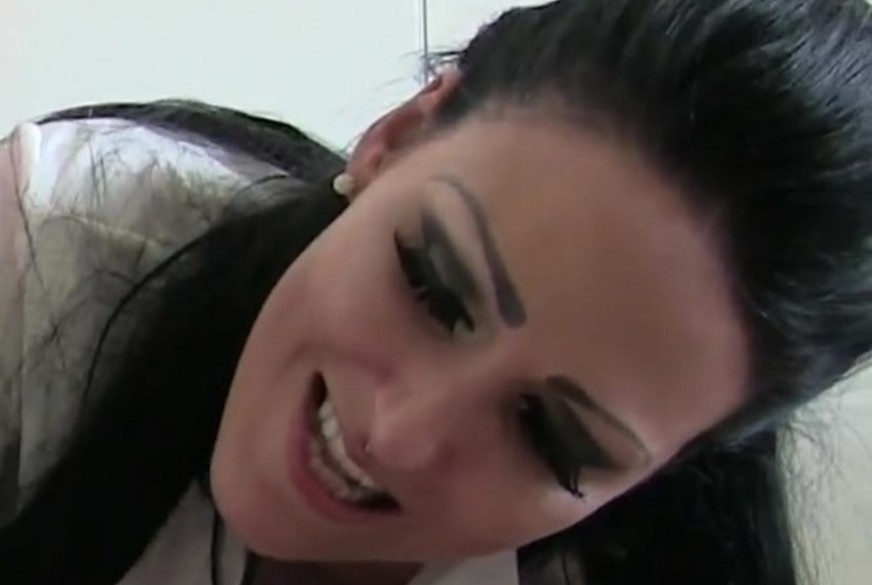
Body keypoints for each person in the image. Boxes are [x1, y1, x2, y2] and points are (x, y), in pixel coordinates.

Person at [1, 0, 871, 583]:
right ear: (399, 136)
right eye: (432, 285)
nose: (398, 432)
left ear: (666, 470)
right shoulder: (47, 241)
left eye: (549, 435)